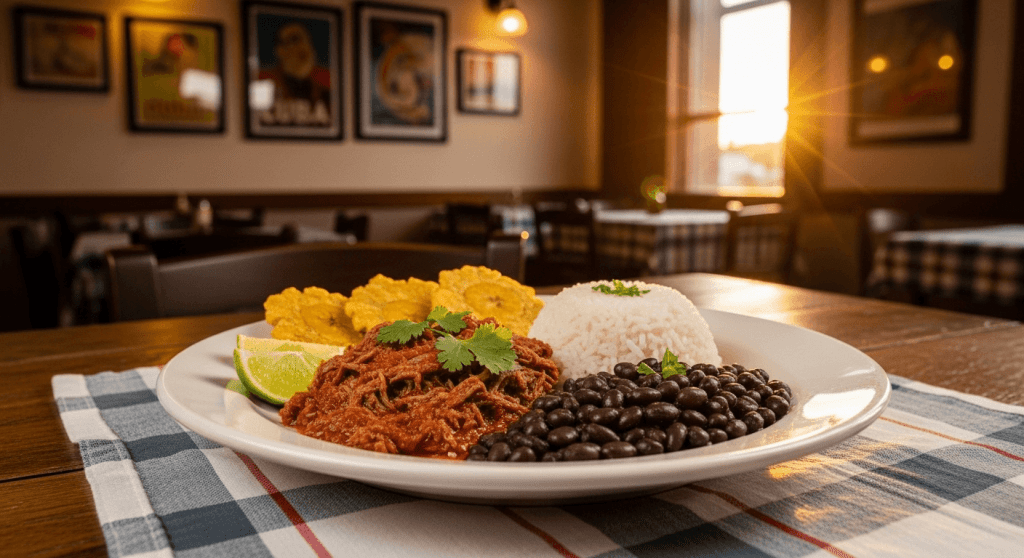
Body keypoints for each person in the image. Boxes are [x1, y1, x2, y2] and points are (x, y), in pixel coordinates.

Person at [257, 22, 331, 126]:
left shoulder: (327, 83)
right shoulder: (263, 81)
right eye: (295, 40)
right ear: (280, 50)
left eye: (306, 40)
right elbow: (258, 121)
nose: (303, 46)